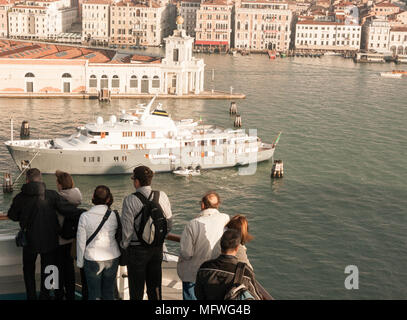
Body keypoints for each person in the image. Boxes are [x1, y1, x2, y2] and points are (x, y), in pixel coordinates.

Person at [7, 168, 80, 300]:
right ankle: (45, 296)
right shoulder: (51, 195)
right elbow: (68, 210)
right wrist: (87, 213)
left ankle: (31, 296)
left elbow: (12, 215)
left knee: (28, 270)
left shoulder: (20, 198)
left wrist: (22, 217)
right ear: (41, 179)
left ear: (27, 180)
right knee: (49, 269)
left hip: (29, 240)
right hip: (50, 239)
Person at [120, 165, 173, 300]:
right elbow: (169, 223)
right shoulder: (162, 195)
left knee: (136, 289)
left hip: (137, 250)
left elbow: (127, 231)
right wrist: (159, 238)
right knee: (155, 288)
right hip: (157, 248)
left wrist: (124, 246)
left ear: (136, 181)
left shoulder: (130, 200)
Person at [177, 191, 230, 300]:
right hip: (215, 273)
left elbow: (186, 253)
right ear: (218, 205)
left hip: (193, 274)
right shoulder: (225, 219)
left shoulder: (192, 224)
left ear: (202, 205)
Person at [76, 185, 120, 300]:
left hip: (92, 258)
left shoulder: (84, 217)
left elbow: (81, 243)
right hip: (112, 256)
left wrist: (80, 262)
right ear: (108, 199)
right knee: (109, 292)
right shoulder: (114, 215)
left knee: (94, 294)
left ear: (93, 197)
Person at [194, 229, 261, 300]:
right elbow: (256, 297)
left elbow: (198, 294)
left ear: (220, 245)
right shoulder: (245, 272)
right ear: (237, 247)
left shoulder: (204, 268)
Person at [54, 170, 82, 300]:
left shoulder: (58, 199)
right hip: (72, 239)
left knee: (56, 269)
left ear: (60, 184)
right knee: (69, 268)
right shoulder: (76, 197)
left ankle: (58, 295)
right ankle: (71, 295)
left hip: (59, 240)